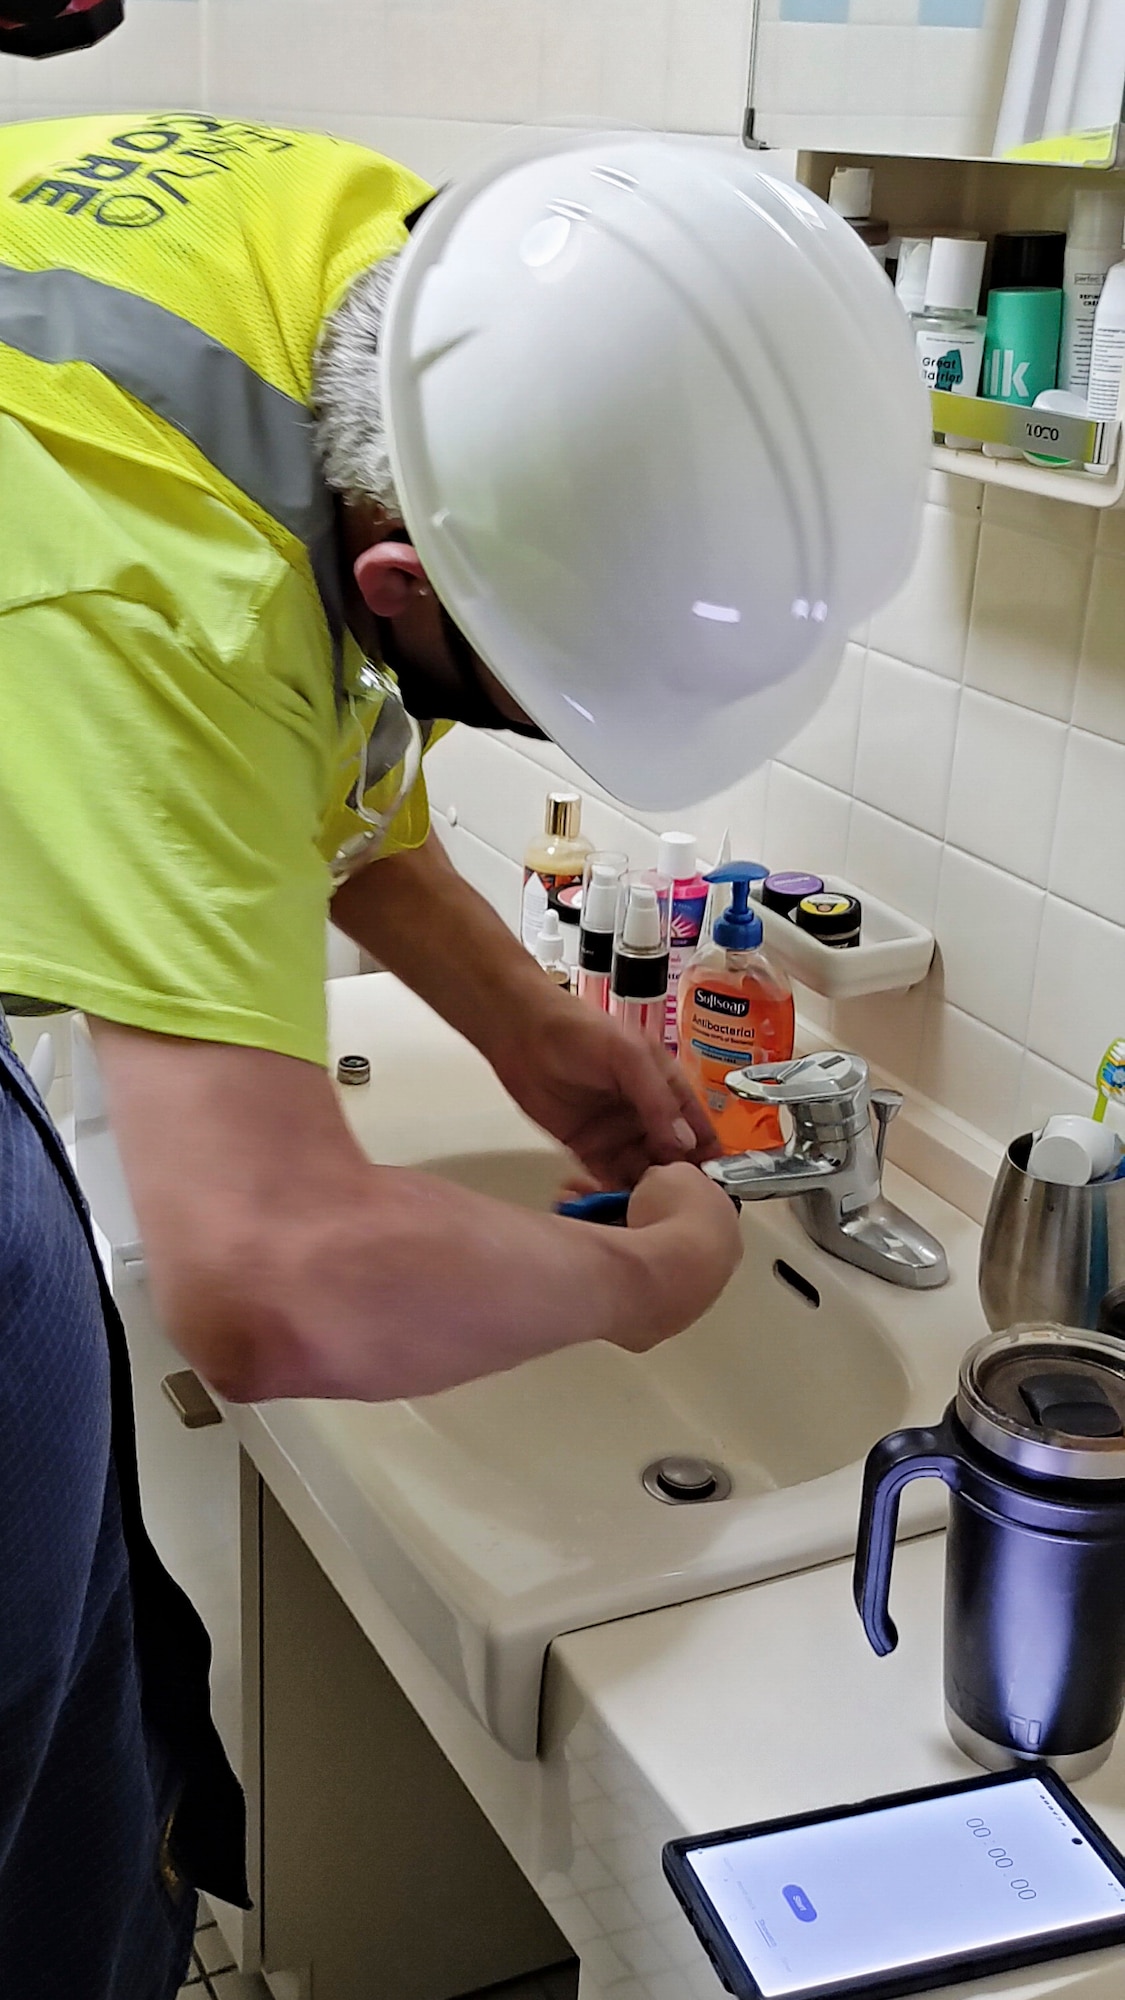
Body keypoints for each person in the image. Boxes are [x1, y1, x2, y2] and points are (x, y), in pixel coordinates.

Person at [0, 111, 926, 1997]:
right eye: (521, 695)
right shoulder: (129, 570)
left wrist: (529, 1026)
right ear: (408, 588)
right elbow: (272, 1288)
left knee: (95, 1690)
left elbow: (307, 730)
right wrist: (642, 1277)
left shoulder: (398, 288)